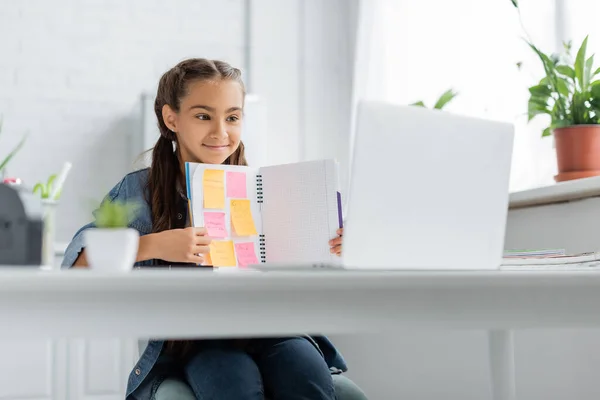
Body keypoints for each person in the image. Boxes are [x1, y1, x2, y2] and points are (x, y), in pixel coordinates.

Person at [61, 58, 366, 400]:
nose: (221, 132)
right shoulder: (139, 191)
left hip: (274, 327)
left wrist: (339, 244)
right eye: (204, 116)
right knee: (232, 380)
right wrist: (155, 245)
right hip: (199, 340)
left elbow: (310, 268)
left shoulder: (268, 189)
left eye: (232, 117)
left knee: (304, 373)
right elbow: (75, 267)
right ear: (170, 118)